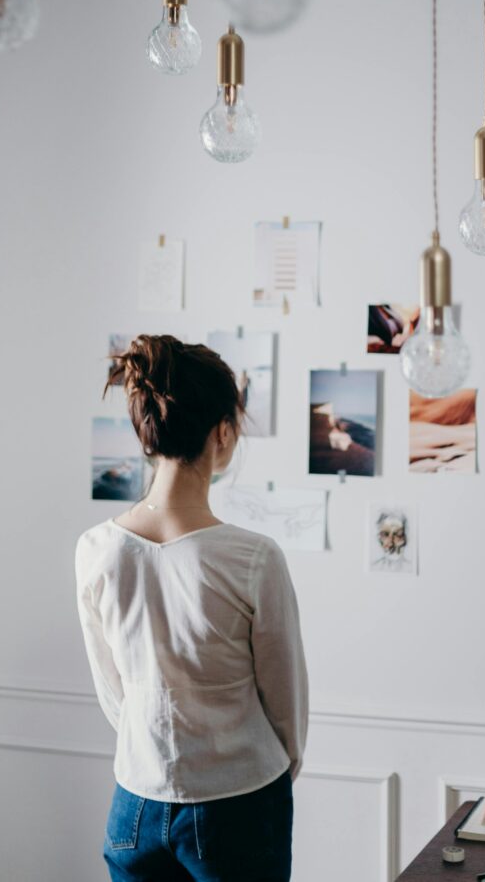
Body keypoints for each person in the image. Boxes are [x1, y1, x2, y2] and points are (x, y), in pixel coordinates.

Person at [75, 335, 308, 882]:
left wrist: (156, 754)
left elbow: (116, 695)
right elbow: (285, 705)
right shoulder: (253, 558)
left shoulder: (95, 549)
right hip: (239, 801)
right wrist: (271, 777)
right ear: (223, 432)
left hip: (133, 802)